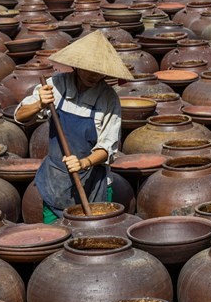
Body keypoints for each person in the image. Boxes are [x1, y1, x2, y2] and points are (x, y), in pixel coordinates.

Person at [14, 31, 133, 223]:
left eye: (100, 71)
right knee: (57, 237)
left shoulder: (108, 98)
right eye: (88, 69)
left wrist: (83, 163)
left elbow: (108, 147)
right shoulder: (56, 85)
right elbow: (20, 116)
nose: (94, 75)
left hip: (93, 182)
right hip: (55, 180)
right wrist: (40, 104)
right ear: (76, 66)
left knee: (92, 239)